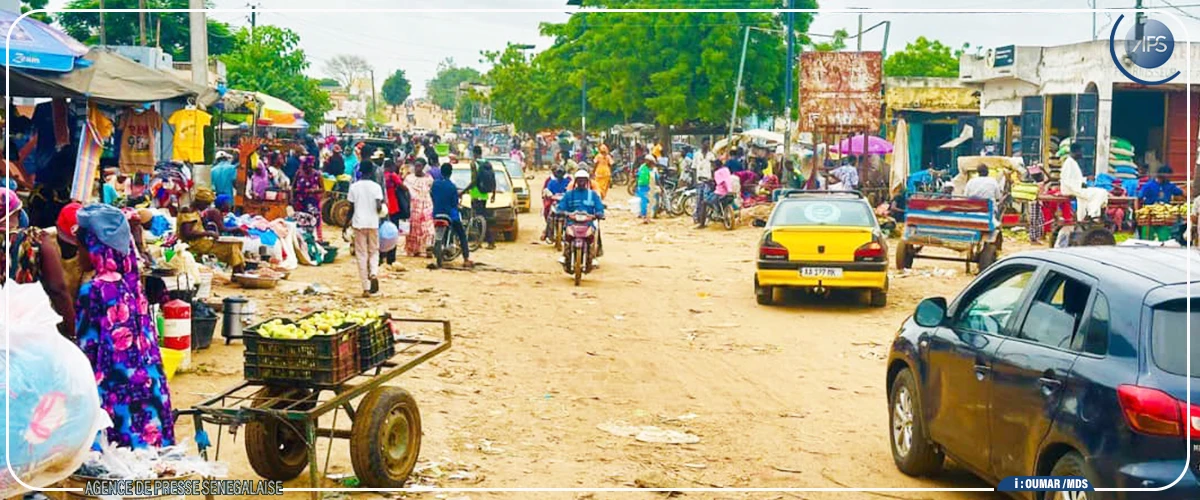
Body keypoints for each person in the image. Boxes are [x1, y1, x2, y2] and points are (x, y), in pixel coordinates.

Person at [74, 203, 175, 449]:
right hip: (148, 391)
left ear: (96, 249)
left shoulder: (93, 290)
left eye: (82, 249)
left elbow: (87, 352)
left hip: (115, 399)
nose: (79, 256)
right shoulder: (132, 285)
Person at [1, 188, 74, 338]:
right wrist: (71, 331)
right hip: (27, 330)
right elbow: (57, 289)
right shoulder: (34, 238)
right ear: (18, 212)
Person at [178, 188, 245, 274]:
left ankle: (238, 272)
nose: (207, 207)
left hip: (203, 243)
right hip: (194, 245)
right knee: (232, 247)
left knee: (236, 245)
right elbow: (187, 233)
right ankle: (238, 273)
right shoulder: (188, 211)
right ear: (200, 202)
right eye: (206, 204)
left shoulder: (196, 211)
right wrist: (208, 233)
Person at [347, 162, 384, 297]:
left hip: (358, 223)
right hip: (373, 223)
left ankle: (365, 287)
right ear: (372, 172)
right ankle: (373, 272)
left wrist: (346, 224)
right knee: (374, 251)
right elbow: (379, 206)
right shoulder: (376, 187)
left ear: (360, 172)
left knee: (361, 254)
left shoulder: (354, 187)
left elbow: (350, 208)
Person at [556, 169, 606, 263]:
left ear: (587, 181)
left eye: (583, 180)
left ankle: (593, 255)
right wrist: (563, 212)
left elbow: (599, 207)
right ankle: (564, 254)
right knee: (567, 236)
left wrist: (599, 213)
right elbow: (561, 207)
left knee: (594, 236)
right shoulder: (569, 195)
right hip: (572, 222)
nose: (581, 182)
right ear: (576, 181)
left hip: (588, 223)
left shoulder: (593, 194)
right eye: (579, 180)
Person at [431, 163, 473, 268]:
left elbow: (432, 196)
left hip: (436, 213)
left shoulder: (435, 184)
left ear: (441, 172)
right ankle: (466, 259)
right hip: (450, 215)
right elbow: (454, 203)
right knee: (462, 235)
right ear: (450, 173)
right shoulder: (452, 187)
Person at [1060, 143, 1109, 221]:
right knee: (1100, 193)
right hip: (1071, 190)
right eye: (1081, 152)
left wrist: (1085, 180)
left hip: (1075, 188)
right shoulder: (1069, 163)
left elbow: (1075, 179)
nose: (1082, 154)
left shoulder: (1073, 162)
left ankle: (1094, 213)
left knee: (1102, 192)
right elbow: (1067, 181)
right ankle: (1092, 214)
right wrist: (1081, 185)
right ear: (1076, 152)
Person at [465, 146, 497, 249]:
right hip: (485, 194)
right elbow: (493, 178)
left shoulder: (474, 164)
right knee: (483, 217)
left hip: (476, 193)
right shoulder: (487, 163)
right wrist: (493, 193)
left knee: (477, 218)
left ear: (474, 153)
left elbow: (474, 181)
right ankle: (485, 240)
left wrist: (464, 191)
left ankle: (488, 241)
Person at [405, 159, 435, 258]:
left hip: (426, 206)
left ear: (423, 167)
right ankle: (414, 250)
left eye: (419, 166)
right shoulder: (409, 178)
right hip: (413, 207)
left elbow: (431, 191)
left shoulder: (429, 179)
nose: (417, 168)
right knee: (413, 229)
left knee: (427, 228)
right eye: (416, 166)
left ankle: (427, 248)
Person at [292, 155, 325, 240]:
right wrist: (293, 198)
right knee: (301, 221)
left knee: (314, 221)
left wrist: (312, 191)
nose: (307, 169)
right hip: (300, 202)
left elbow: (323, 189)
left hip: (312, 202)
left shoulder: (317, 174)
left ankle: (317, 239)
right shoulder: (299, 173)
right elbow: (293, 186)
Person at [542, 168, 571, 242]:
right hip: (555, 202)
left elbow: (572, 190)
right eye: (558, 173)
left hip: (565, 203)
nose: (559, 175)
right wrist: (548, 193)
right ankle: (549, 234)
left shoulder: (568, 181)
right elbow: (547, 190)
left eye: (561, 173)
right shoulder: (551, 182)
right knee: (549, 217)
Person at [692, 140, 716, 229]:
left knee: (706, 200)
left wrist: (713, 179)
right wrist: (694, 180)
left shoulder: (711, 155)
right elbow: (694, 168)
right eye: (706, 143)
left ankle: (705, 219)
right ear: (702, 144)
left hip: (708, 181)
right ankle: (697, 218)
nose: (708, 145)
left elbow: (714, 168)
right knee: (699, 200)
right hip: (699, 180)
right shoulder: (696, 155)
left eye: (709, 143)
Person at [383, 159, 408, 226]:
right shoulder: (392, 175)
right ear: (391, 166)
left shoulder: (381, 174)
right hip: (392, 202)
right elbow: (403, 187)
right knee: (394, 223)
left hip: (384, 202)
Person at [636, 154, 655, 223]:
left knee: (646, 200)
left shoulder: (648, 168)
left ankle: (646, 214)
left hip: (647, 185)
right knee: (645, 200)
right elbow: (638, 176)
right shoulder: (645, 167)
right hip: (643, 185)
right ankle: (644, 214)